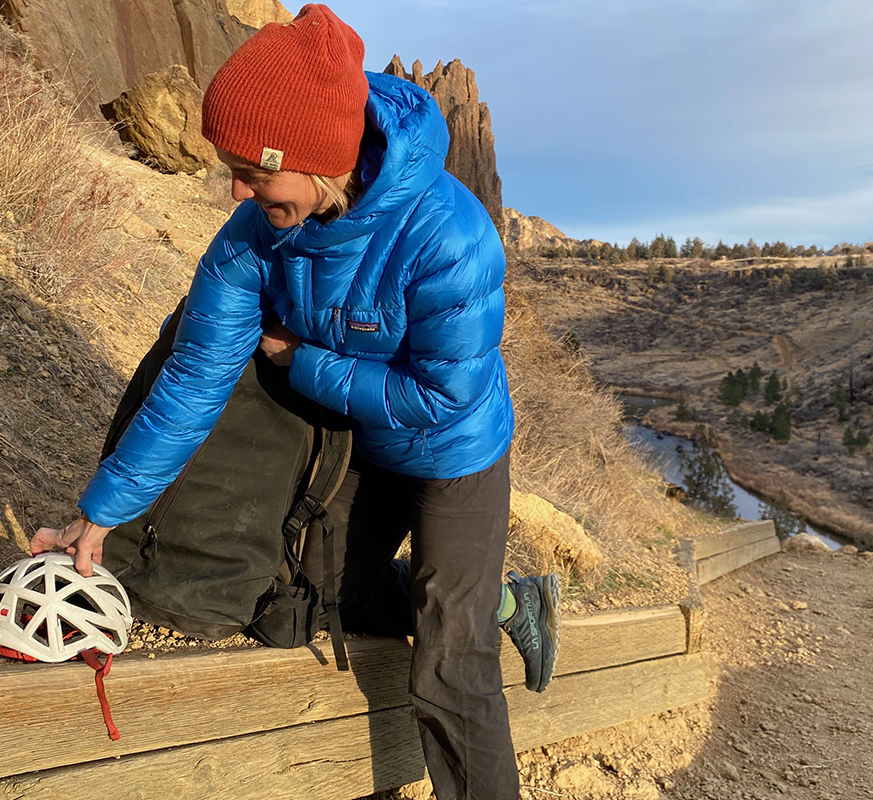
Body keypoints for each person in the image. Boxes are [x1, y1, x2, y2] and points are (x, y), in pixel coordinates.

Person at [28, 5, 558, 797]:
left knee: (450, 660)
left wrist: (303, 362)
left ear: (313, 157)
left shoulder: (449, 235)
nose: (235, 188)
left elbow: (438, 395)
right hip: (362, 446)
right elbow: (193, 379)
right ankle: (501, 595)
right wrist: (101, 511)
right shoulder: (253, 235)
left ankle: (504, 604)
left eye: (251, 168)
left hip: (454, 453)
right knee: (314, 601)